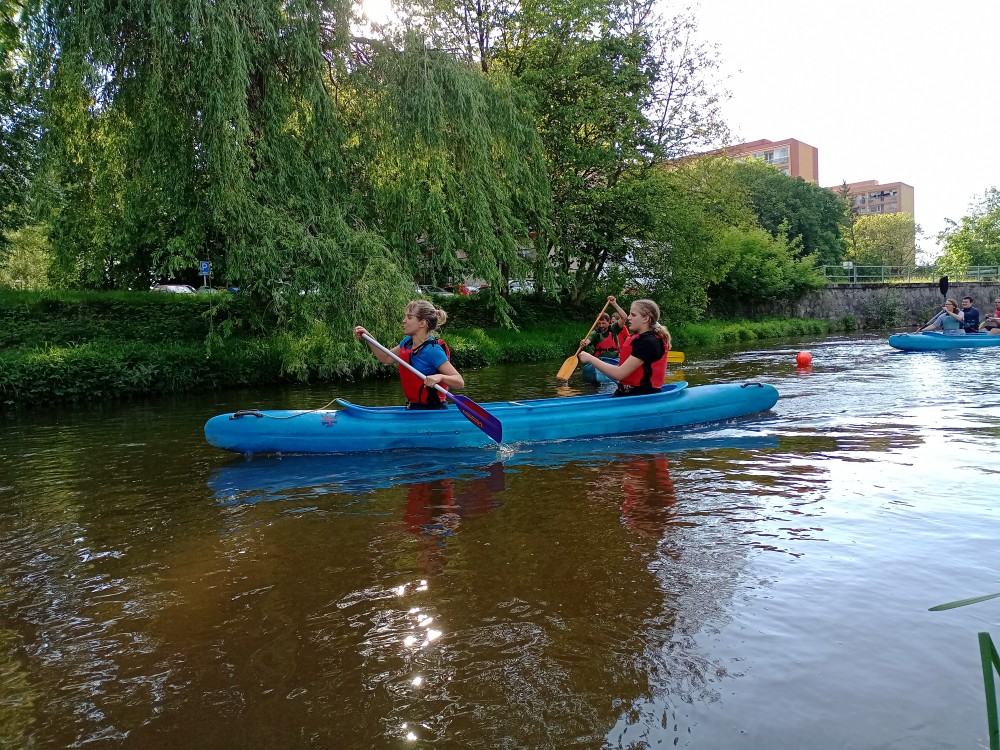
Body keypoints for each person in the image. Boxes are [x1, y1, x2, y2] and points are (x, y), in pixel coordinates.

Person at [354, 301, 464, 409]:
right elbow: (386, 358)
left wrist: (440, 377)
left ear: (422, 323)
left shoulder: (433, 351)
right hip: (414, 407)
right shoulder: (408, 342)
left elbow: (459, 382)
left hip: (433, 410)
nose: (404, 321)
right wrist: (367, 336)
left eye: (409, 317)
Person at [578, 298, 670, 397]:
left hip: (642, 396)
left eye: (633, 315)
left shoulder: (649, 342)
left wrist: (590, 358)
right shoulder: (641, 339)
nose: (629, 318)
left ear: (646, 318)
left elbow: (619, 374)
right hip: (629, 393)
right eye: (630, 314)